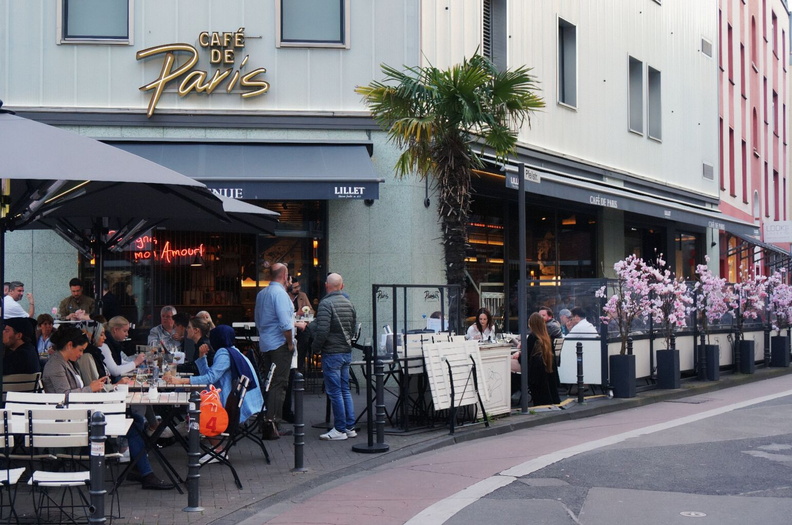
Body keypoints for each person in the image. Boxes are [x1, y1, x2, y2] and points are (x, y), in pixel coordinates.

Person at [42, 326, 174, 490]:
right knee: (133, 424)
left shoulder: (63, 362)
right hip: (72, 420)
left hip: (78, 414)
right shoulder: (56, 366)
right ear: (69, 345)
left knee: (137, 420)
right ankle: (146, 473)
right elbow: (65, 396)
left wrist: (95, 388)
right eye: (80, 350)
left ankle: (138, 466)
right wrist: (91, 388)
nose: (81, 354)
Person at [164, 325, 263, 462]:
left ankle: (218, 449)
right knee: (197, 403)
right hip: (244, 400)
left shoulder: (224, 353)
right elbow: (209, 376)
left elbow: (210, 378)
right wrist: (201, 357)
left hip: (235, 405)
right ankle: (187, 426)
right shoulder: (233, 351)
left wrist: (181, 381)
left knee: (201, 410)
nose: (210, 341)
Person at [255, 263, 302, 434]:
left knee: (269, 382)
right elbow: (285, 324)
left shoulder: (262, 294)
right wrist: (290, 343)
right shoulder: (281, 295)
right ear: (284, 275)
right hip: (279, 344)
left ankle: (267, 420)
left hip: (266, 343)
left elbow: (258, 320)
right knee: (279, 383)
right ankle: (272, 423)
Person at [312, 273, 357, 441]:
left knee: (335, 391)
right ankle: (349, 427)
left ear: (326, 286)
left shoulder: (326, 303)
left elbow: (322, 330)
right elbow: (352, 329)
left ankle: (339, 429)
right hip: (346, 351)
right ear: (342, 286)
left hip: (332, 352)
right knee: (345, 389)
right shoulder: (349, 303)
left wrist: (315, 348)